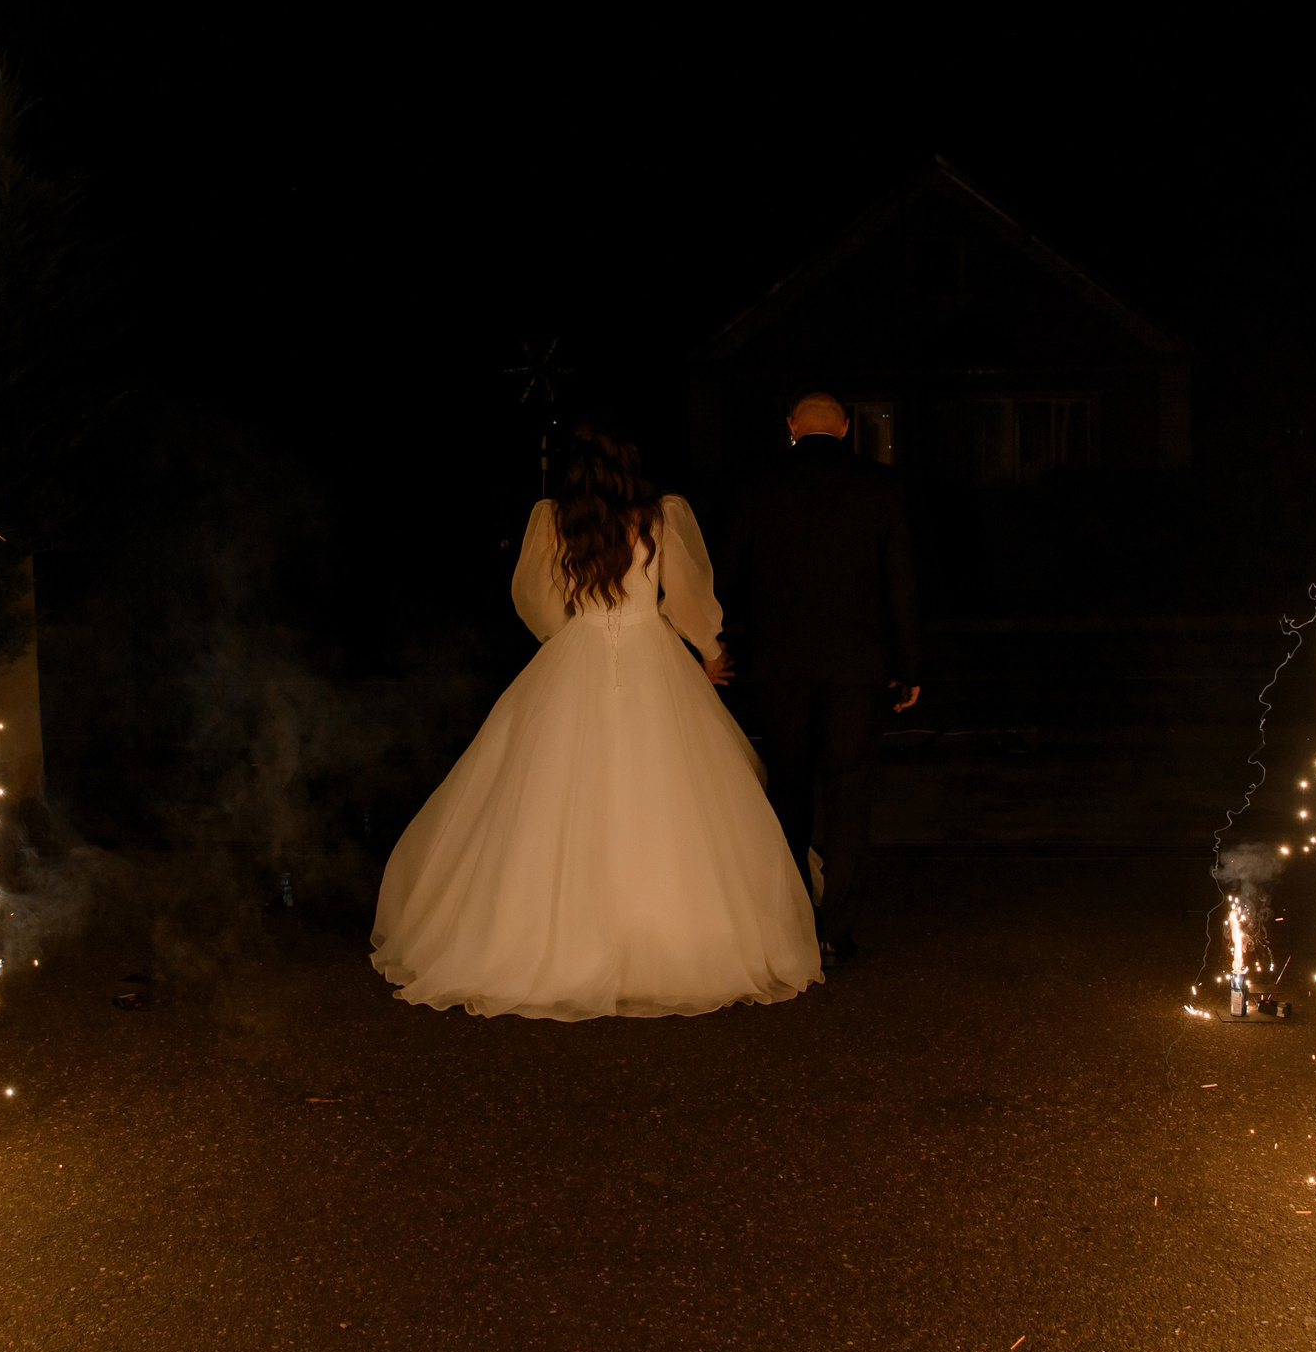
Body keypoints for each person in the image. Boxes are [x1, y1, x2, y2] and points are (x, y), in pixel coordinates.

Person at [371, 425, 820, 1019]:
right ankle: (682, 937)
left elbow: (536, 602)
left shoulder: (555, 520)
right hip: (651, 656)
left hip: (579, 648)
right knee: (670, 793)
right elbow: (686, 596)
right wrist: (709, 651)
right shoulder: (659, 517)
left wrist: (572, 643)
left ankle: (544, 939)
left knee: (552, 795)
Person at [719, 390, 921, 968]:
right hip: (858, 667)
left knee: (788, 789)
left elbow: (726, 573)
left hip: (779, 664)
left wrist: (716, 644)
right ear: (845, 427)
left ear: (790, 427)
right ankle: (838, 931)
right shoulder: (881, 487)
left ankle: (790, 923)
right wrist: (908, 667)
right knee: (850, 794)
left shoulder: (759, 484)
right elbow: (901, 583)